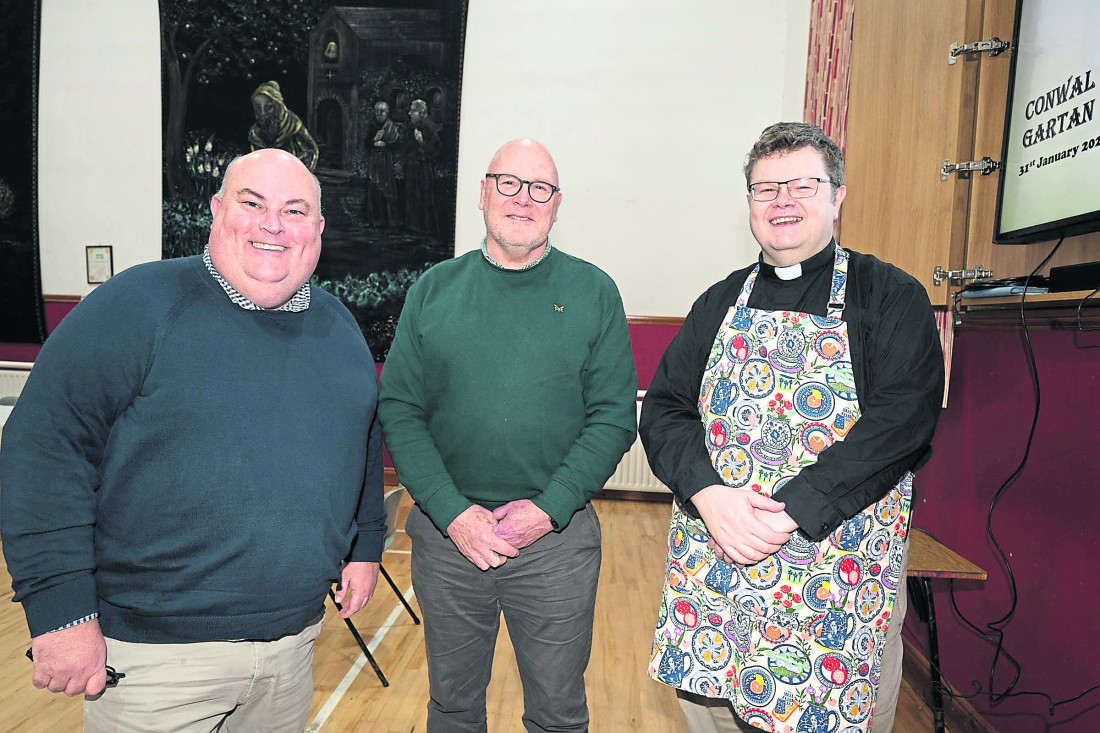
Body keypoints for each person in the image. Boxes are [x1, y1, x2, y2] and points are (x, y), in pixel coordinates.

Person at [0, 148, 386, 732]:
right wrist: (61, 612)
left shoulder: (339, 326)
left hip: (294, 648)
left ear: (319, 227)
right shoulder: (135, 305)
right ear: (216, 210)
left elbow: (361, 438)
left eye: (294, 210)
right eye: (252, 203)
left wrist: (365, 544)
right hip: (155, 661)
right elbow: (45, 451)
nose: (273, 224)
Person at [641, 122, 943, 733]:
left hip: (834, 565)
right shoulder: (720, 301)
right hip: (719, 554)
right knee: (712, 711)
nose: (782, 201)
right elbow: (666, 408)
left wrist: (789, 512)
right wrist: (709, 495)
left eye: (803, 185)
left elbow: (902, 423)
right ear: (749, 203)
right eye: (766, 189)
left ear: (837, 196)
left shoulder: (889, 295)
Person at [378, 138, 637, 733]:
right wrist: (452, 512)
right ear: (482, 194)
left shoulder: (593, 291)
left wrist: (547, 509)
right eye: (509, 183)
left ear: (557, 204)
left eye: (539, 188)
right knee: (452, 709)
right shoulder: (433, 290)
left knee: (558, 714)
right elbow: (400, 408)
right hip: (449, 539)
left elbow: (613, 416)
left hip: (556, 543)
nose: (523, 199)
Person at [248, 80, 320, 171]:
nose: (263, 113)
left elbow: (311, 151)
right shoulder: (255, 134)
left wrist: (297, 169)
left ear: (277, 106)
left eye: (268, 107)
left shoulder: (292, 124)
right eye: (258, 108)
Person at [397, 98, 441, 233]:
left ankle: (424, 227)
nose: (409, 113)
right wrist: (401, 162)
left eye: (412, 111)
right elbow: (406, 148)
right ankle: (412, 225)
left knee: (423, 196)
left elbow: (435, 151)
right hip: (411, 168)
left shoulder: (429, 128)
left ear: (421, 113)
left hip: (423, 168)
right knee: (411, 195)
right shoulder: (411, 127)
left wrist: (422, 142)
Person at [363, 101, 401, 228]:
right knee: (374, 188)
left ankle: (388, 218)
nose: (379, 114)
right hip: (374, 162)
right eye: (377, 111)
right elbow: (366, 144)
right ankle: (375, 218)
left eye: (382, 111)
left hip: (386, 162)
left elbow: (397, 145)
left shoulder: (391, 126)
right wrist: (374, 140)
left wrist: (385, 145)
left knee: (387, 188)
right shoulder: (372, 125)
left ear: (387, 112)